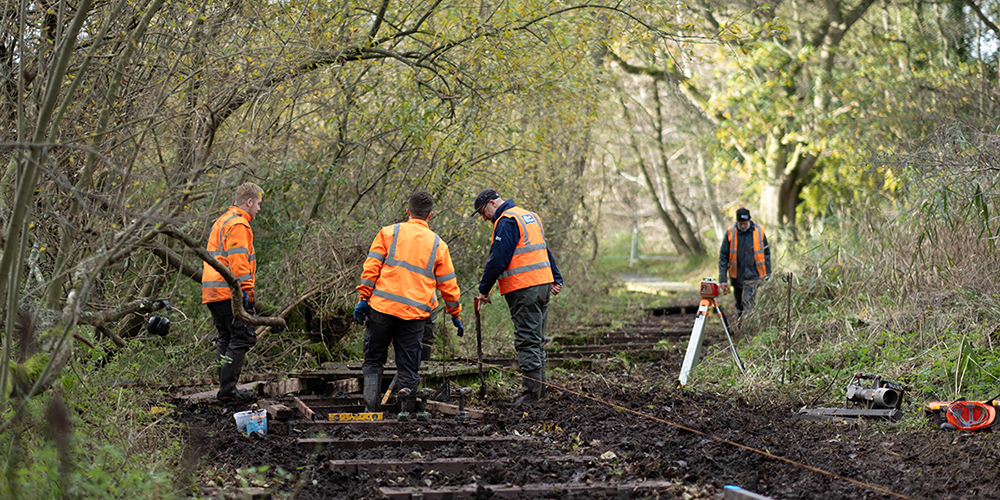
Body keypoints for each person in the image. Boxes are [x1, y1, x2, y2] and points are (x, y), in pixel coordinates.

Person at [354, 191, 463, 413]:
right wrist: (455, 313)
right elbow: (448, 286)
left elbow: (371, 268)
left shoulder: (388, 233)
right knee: (409, 366)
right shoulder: (438, 245)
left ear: (408, 211)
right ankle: (406, 415)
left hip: (381, 309)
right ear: (430, 215)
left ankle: (371, 410)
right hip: (414, 315)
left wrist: (363, 298)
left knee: (374, 360)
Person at [472, 189, 563, 405]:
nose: (484, 218)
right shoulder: (529, 216)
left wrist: (483, 289)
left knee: (527, 341)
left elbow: (498, 259)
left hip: (525, 289)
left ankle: (531, 397)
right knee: (537, 341)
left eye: (483, 212)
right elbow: (544, 251)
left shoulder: (506, 221)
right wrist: (556, 276)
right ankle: (539, 393)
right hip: (542, 285)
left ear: (492, 203)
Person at [202, 182, 264, 403]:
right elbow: (238, 261)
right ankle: (228, 391)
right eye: (257, 204)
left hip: (212, 292)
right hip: (229, 292)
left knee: (226, 337)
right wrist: (246, 290)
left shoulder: (222, 221)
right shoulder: (239, 224)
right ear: (249, 202)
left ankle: (225, 388)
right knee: (242, 337)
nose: (258, 209)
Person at [718, 207, 771, 316]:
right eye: (740, 223)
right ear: (737, 222)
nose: (743, 226)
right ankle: (740, 323)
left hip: (753, 276)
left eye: (745, 223)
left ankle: (747, 331)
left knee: (748, 303)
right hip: (737, 276)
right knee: (739, 304)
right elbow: (723, 256)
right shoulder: (730, 232)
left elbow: (766, 253)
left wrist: (768, 274)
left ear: (749, 221)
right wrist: (723, 279)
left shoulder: (759, 231)